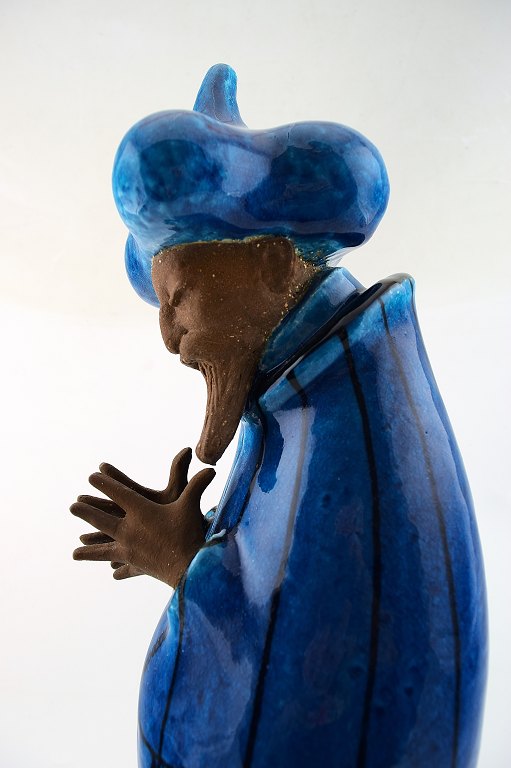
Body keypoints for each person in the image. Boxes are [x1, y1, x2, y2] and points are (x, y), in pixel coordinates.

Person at [70, 66, 487, 767]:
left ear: (269, 264)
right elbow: (285, 579)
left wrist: (180, 561)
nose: (168, 336)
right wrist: (201, 541)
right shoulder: (307, 389)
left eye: (180, 297)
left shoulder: (350, 421)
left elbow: (317, 651)